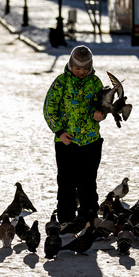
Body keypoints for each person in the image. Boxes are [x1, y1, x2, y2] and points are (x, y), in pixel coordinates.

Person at [43, 45, 105, 225]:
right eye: (77, 68)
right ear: (71, 65)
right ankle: (66, 218)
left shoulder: (95, 83)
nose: (81, 72)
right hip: (66, 143)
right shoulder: (61, 82)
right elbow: (49, 108)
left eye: (85, 69)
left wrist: (100, 113)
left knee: (88, 183)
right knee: (66, 183)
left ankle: (89, 216)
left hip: (91, 142)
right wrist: (59, 132)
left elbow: (103, 104)